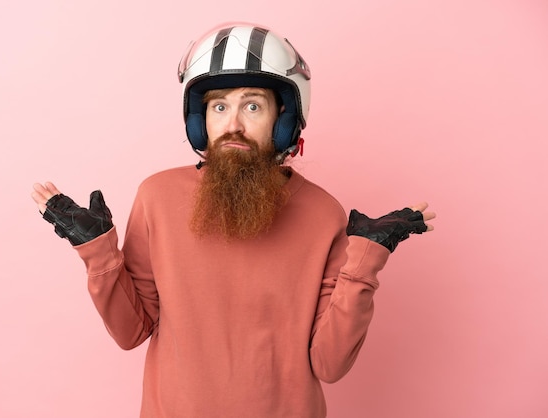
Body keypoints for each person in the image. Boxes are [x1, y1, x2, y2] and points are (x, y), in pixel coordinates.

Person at [32, 23, 435, 418]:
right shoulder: (157, 196)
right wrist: (99, 253)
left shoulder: (322, 213)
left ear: (284, 120)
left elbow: (330, 364)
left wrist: (364, 265)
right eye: (219, 106)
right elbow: (130, 332)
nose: (233, 124)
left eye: (253, 105)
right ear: (200, 120)